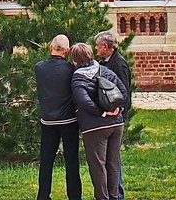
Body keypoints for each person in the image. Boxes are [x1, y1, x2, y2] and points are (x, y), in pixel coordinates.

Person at [70, 42, 127, 200]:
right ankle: (114, 196)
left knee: (98, 166)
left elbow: (84, 102)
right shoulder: (105, 71)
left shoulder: (78, 78)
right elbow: (123, 91)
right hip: (117, 123)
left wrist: (102, 112)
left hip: (94, 127)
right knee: (113, 163)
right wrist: (118, 109)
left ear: (75, 59)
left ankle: (102, 198)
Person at [35, 34, 81, 200]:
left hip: (48, 120)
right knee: (71, 160)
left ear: (50, 47)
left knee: (46, 161)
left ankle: (43, 195)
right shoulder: (71, 69)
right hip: (69, 120)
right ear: (68, 51)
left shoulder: (39, 68)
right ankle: (74, 196)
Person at [95, 30, 133, 200]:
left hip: (116, 117)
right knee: (110, 159)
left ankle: (118, 194)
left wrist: (119, 112)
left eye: (97, 46)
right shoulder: (104, 62)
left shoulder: (119, 64)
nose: (96, 49)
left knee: (114, 160)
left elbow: (124, 92)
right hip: (109, 117)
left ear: (105, 46)